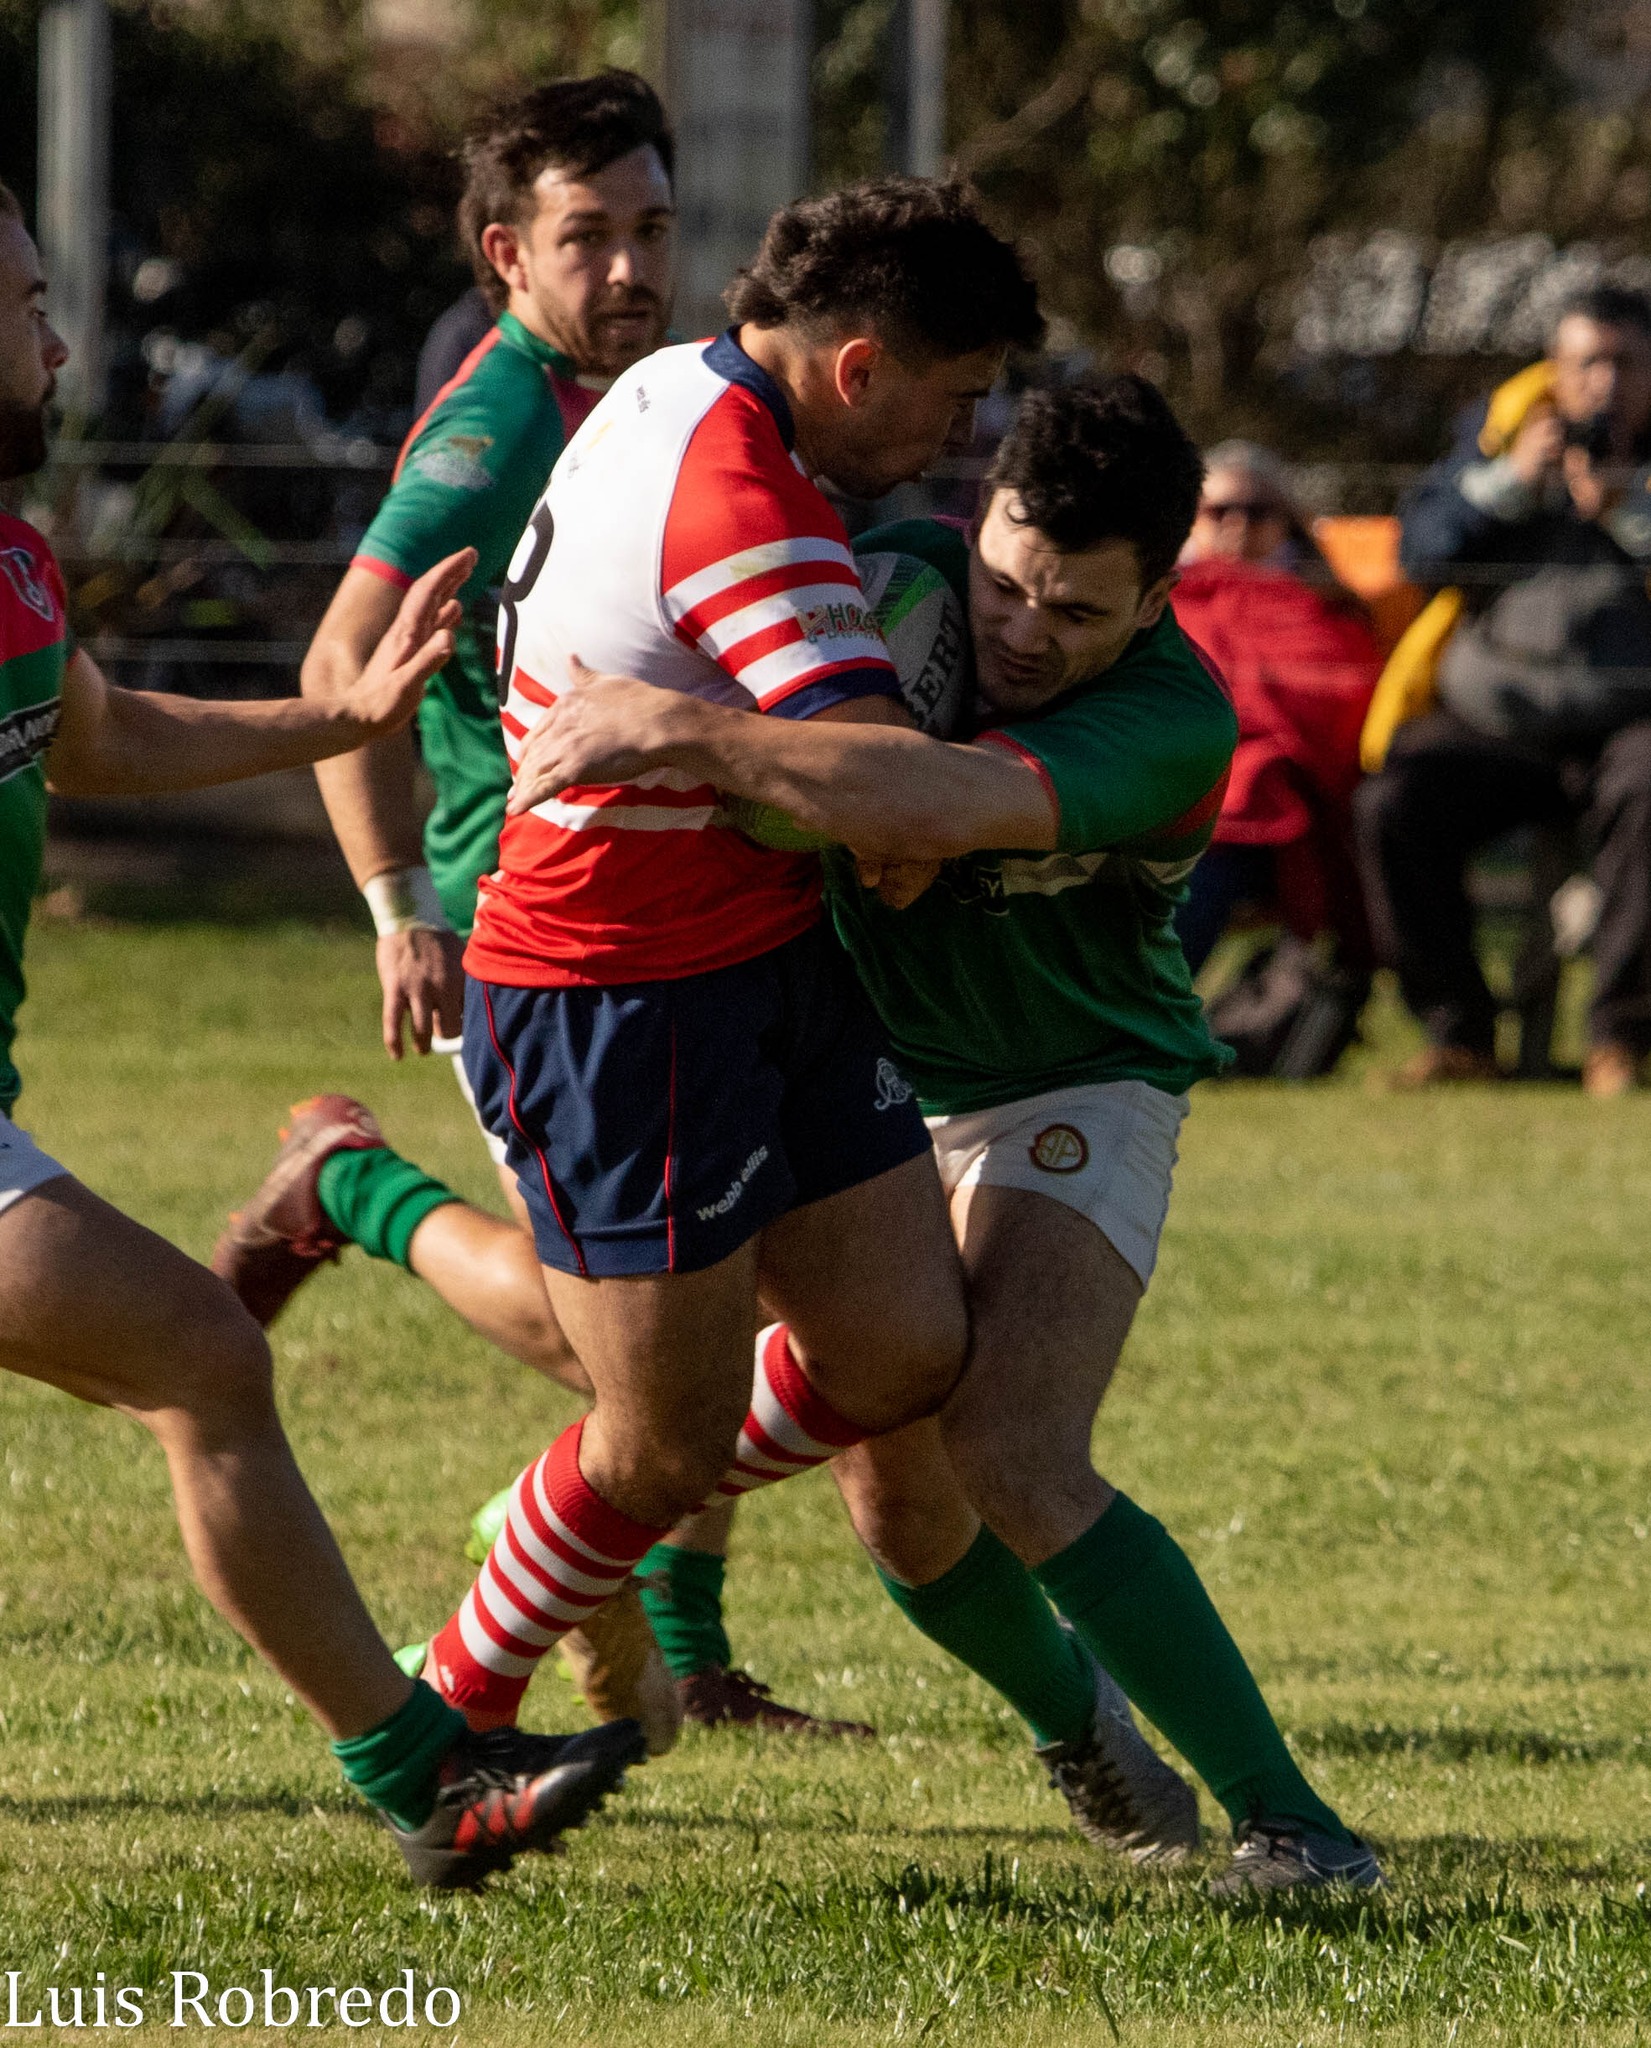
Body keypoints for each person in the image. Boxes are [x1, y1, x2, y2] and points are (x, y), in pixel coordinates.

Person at [509, 376, 1382, 1897]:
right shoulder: (891, 581)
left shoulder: (1174, 718)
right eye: (1005, 580)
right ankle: (1076, 1725)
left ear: (1157, 598)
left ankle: (1296, 1826)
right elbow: (814, 795)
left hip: (1073, 1082)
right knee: (897, 1504)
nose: (1023, 631)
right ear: (975, 522)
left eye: (1075, 609)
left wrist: (705, 742)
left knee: (1011, 1447)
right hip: (877, 1084)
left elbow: (947, 800)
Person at [0, 180, 641, 1890]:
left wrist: (341, 717)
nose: (56, 338)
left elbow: (105, 741)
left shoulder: (8, 552)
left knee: (198, 1362)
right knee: (204, 1357)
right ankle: (428, 1778)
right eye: (22, 307)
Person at [211, 73, 845, 1740]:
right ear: (507, 253)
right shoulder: (492, 426)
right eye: (591, 238)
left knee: (737, 1294)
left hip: (689, 906)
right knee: (615, 1355)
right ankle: (348, 1184)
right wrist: (396, 896)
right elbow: (338, 671)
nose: (634, 268)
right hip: (540, 934)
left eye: (652, 229)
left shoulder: (655, 390)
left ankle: (686, 1658)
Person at [406, 177, 1042, 1740]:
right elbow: (889, 808)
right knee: (654, 1444)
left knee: (901, 1347)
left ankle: (568, 1526)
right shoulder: (736, 494)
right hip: (614, 996)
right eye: (954, 399)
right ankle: (450, 1702)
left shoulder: (672, 376)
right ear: (856, 367)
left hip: (756, 958)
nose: (958, 442)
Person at [1357, 284, 1651, 1095]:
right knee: (1394, 805)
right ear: (1555, 368)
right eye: (1584, 361)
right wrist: (1513, 480)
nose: (1602, 381)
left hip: (1629, 726)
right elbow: (1420, 551)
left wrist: (1630, 515)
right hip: (1493, 724)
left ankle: (1618, 1040)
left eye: (1623, 362)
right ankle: (1460, 1038)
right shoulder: (1502, 435)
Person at [1171, 446, 1383, 1077]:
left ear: (1288, 522)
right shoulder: (1154, 599)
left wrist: (1262, 743)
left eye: (1259, 510)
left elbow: (1342, 692)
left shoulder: (1323, 606)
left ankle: (1125, 1031)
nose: (1238, 524)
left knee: (1209, 853)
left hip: (1273, 805)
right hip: (1165, 781)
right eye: (1219, 509)